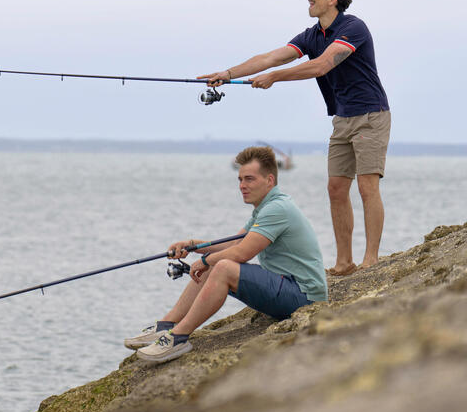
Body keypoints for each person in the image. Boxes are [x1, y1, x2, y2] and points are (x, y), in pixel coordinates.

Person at [202, 0, 390, 277]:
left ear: (333, 0)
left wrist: (275, 78)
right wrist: (228, 73)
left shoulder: (352, 27)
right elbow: (271, 58)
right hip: (342, 118)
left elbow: (322, 65)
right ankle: (344, 263)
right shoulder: (312, 35)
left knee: (368, 186)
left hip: (371, 115)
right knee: (336, 188)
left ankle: (371, 260)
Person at [126, 146, 326, 364]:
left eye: (249, 179)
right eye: (240, 179)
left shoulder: (278, 209)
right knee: (218, 263)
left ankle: (178, 338)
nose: (242, 186)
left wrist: (204, 261)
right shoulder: (266, 208)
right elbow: (233, 243)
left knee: (223, 267)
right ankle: (167, 324)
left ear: (269, 180)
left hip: (303, 297)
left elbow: (241, 253)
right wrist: (191, 245)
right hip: (288, 287)